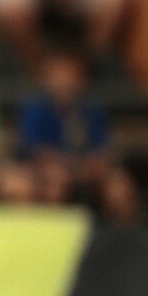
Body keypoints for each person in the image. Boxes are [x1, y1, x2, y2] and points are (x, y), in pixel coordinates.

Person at [12, 50, 138, 223]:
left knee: (119, 186)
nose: (65, 81)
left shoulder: (92, 108)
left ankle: (126, 235)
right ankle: (54, 234)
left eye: (70, 75)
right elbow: (36, 152)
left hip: (85, 168)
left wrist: (86, 167)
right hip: (51, 171)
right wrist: (65, 167)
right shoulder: (36, 108)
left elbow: (103, 150)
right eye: (59, 75)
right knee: (55, 183)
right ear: (47, 78)